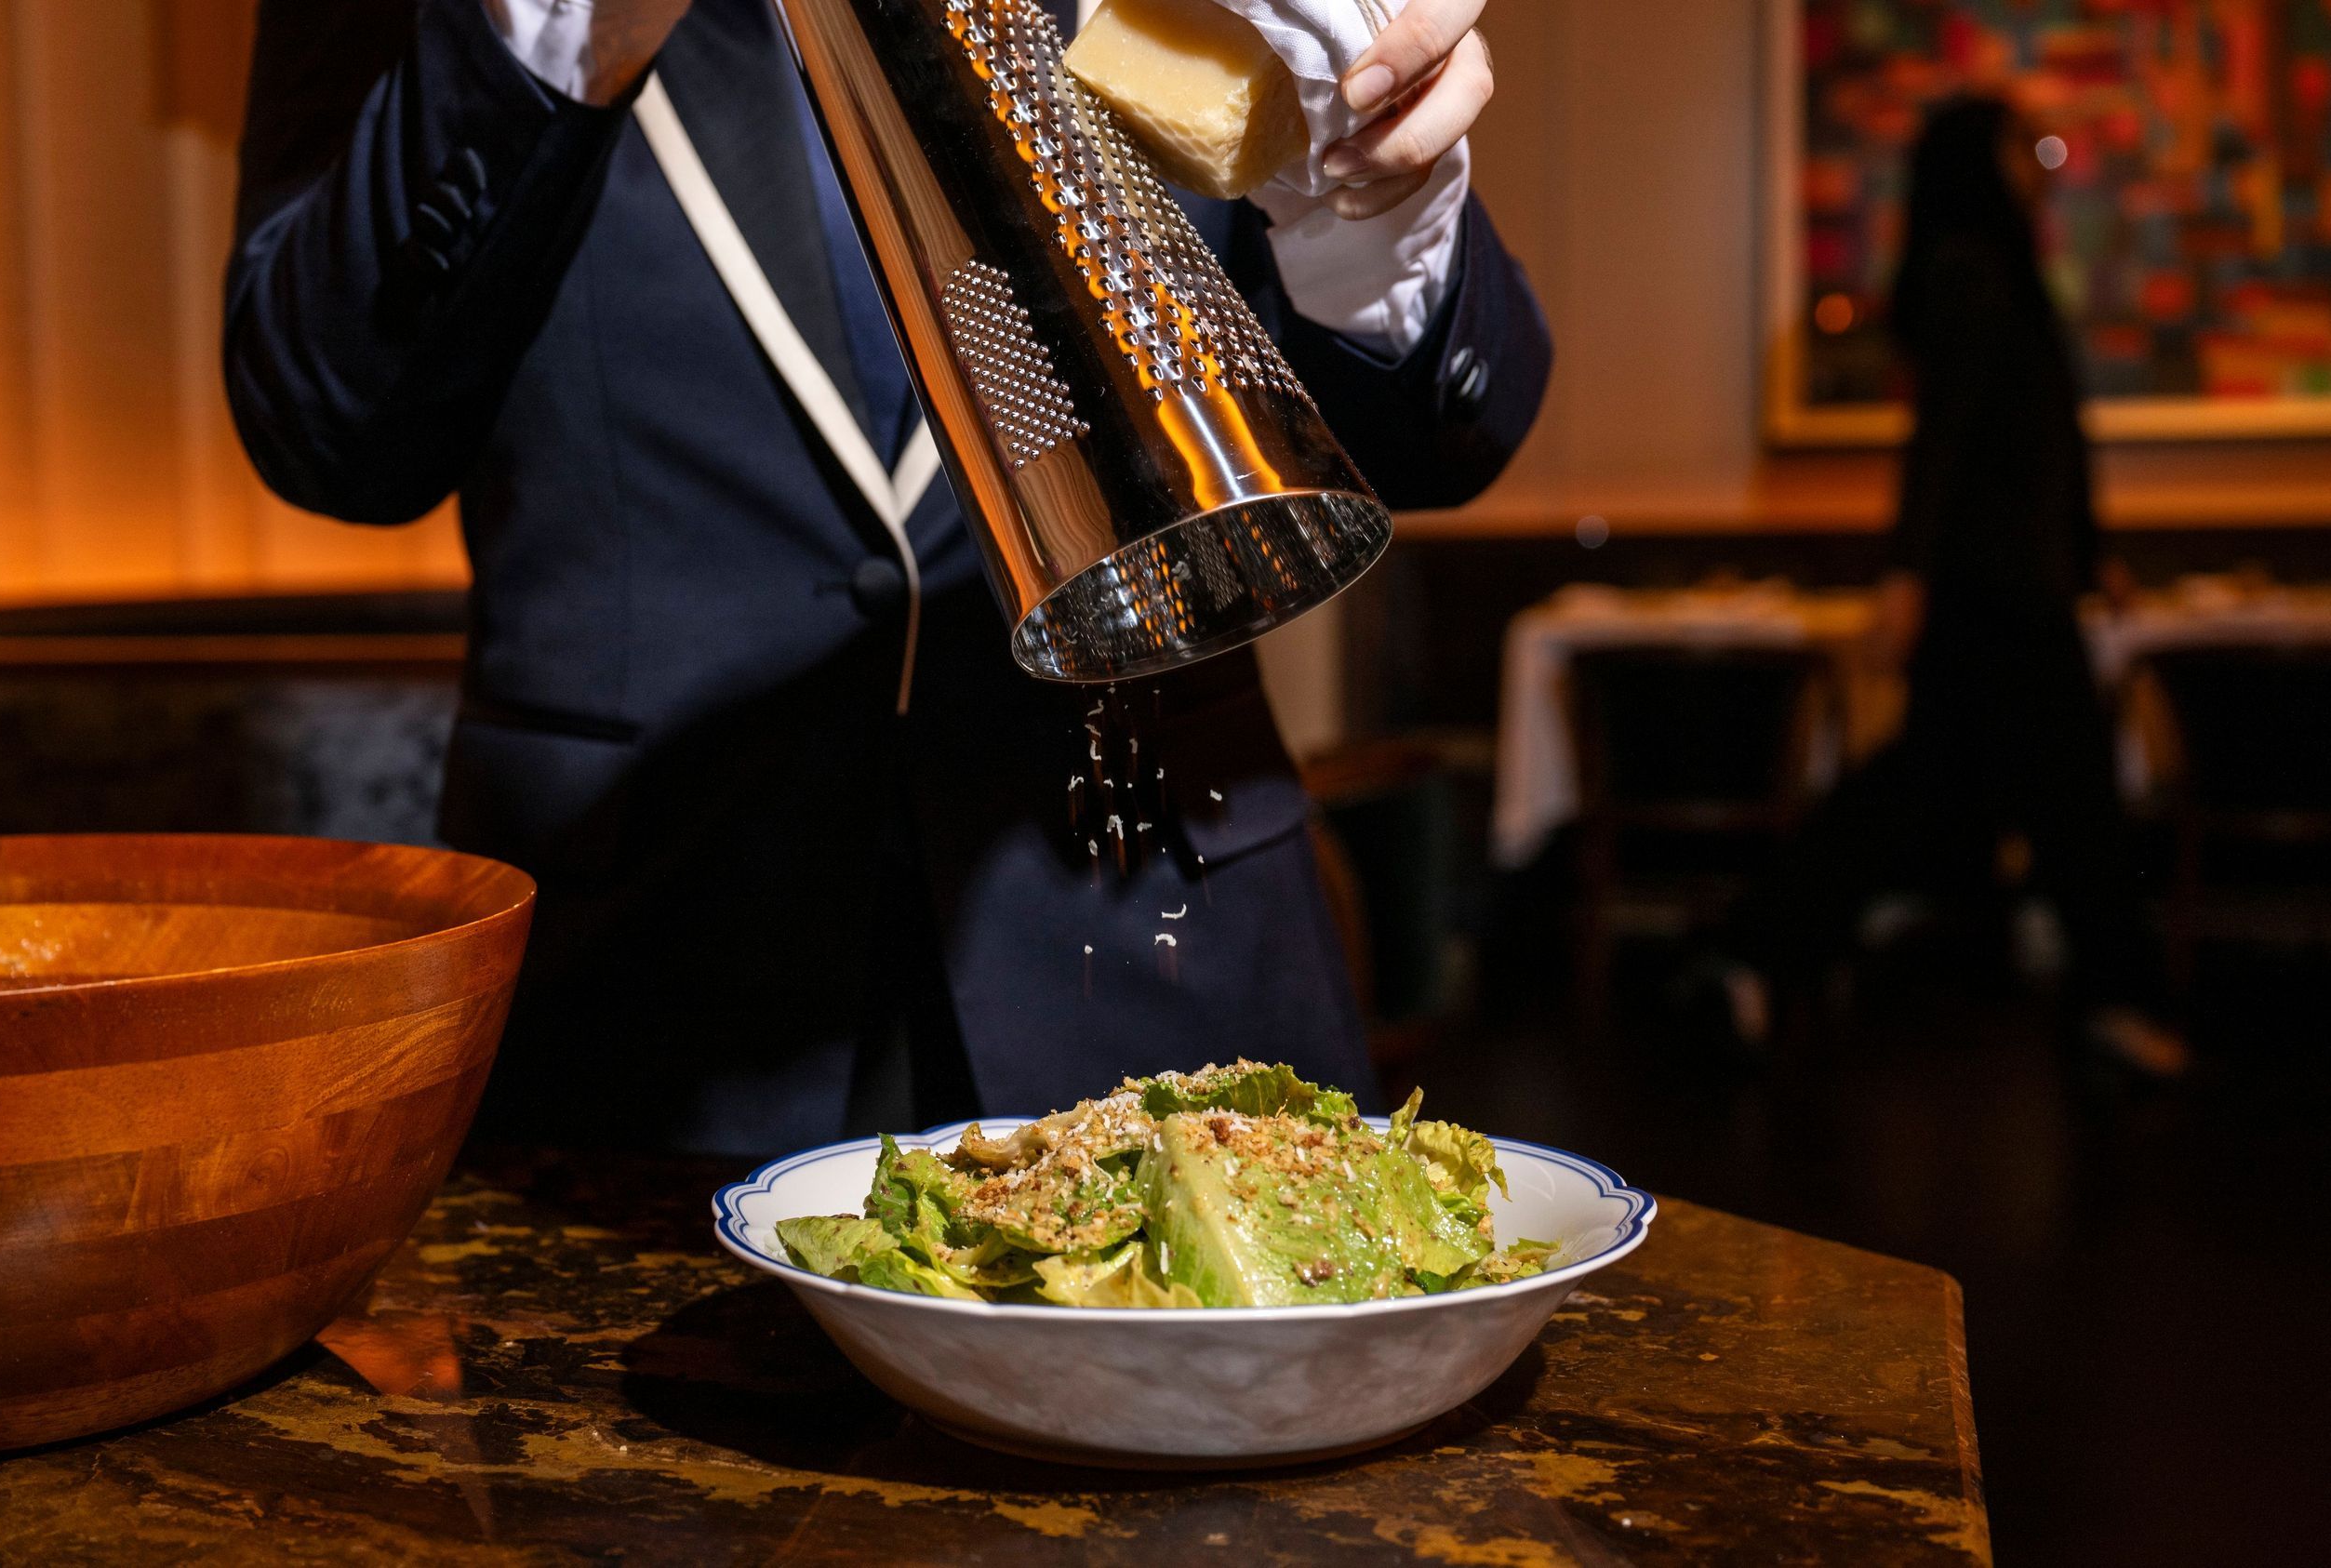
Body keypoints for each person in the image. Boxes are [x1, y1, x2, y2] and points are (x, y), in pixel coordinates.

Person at [223, 0, 1552, 1151]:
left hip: (1162, 949)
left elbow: (1442, 438)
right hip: (644, 1001)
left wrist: (1380, 216)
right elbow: (332, 429)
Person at [1708, 95, 2187, 1078]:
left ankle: (1749, 950)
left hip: (2003, 582)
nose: (2034, 166)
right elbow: (1948, 440)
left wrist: (2090, 551)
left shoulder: (1989, 269)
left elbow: (2043, 436)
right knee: (2067, 801)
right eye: (2017, 147)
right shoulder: (1973, 271)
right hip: (1996, 590)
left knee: (1919, 794)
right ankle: (2118, 999)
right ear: (1980, 162)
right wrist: (1909, 573)